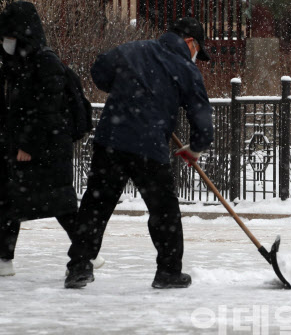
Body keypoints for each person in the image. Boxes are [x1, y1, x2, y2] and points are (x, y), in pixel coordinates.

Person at [64, 17, 214, 289]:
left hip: (111, 141)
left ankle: (79, 267)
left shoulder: (131, 49)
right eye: (197, 51)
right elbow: (202, 117)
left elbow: (99, 72)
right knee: (164, 211)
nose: (195, 57)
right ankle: (168, 272)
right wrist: (196, 147)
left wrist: (126, 87)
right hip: (149, 148)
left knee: (96, 206)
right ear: (190, 42)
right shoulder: (186, 70)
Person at [0, 1, 103, 276]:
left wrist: (27, 145)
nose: (5, 42)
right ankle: (5, 257)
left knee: (56, 202)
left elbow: (46, 109)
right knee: (16, 200)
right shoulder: (17, 64)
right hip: (27, 146)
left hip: (42, 149)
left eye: (9, 36)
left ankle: (85, 252)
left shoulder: (44, 63)